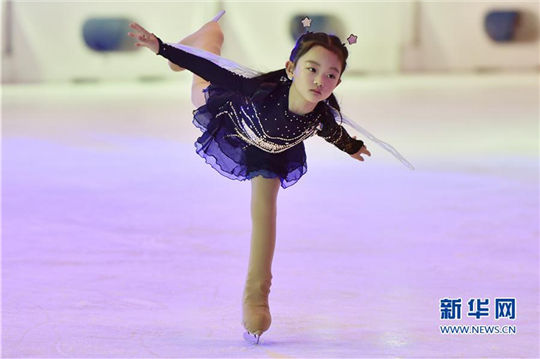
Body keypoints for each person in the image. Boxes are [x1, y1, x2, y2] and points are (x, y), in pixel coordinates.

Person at [127, 10, 372, 344]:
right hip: (230, 117)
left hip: (269, 154)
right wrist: (161, 47)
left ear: (339, 82)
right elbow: (211, 70)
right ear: (291, 69)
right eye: (312, 69)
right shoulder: (261, 90)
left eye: (331, 75)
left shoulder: (320, 116)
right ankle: (207, 35)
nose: (319, 81)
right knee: (205, 65)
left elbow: (333, 132)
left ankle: (256, 299)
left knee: (265, 215)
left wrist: (353, 146)